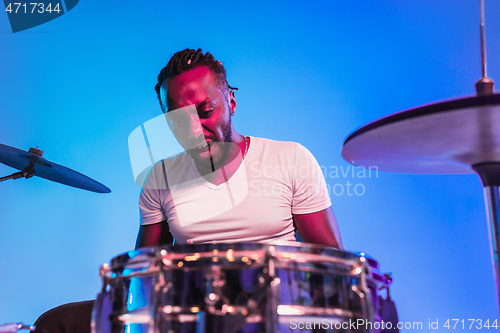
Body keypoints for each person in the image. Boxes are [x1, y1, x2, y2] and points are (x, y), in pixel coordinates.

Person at [32, 48, 342, 333]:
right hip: (191, 311)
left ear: (231, 101)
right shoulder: (162, 175)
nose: (194, 130)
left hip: (273, 308)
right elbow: (144, 273)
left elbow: (332, 262)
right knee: (56, 324)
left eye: (205, 110)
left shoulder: (289, 158)